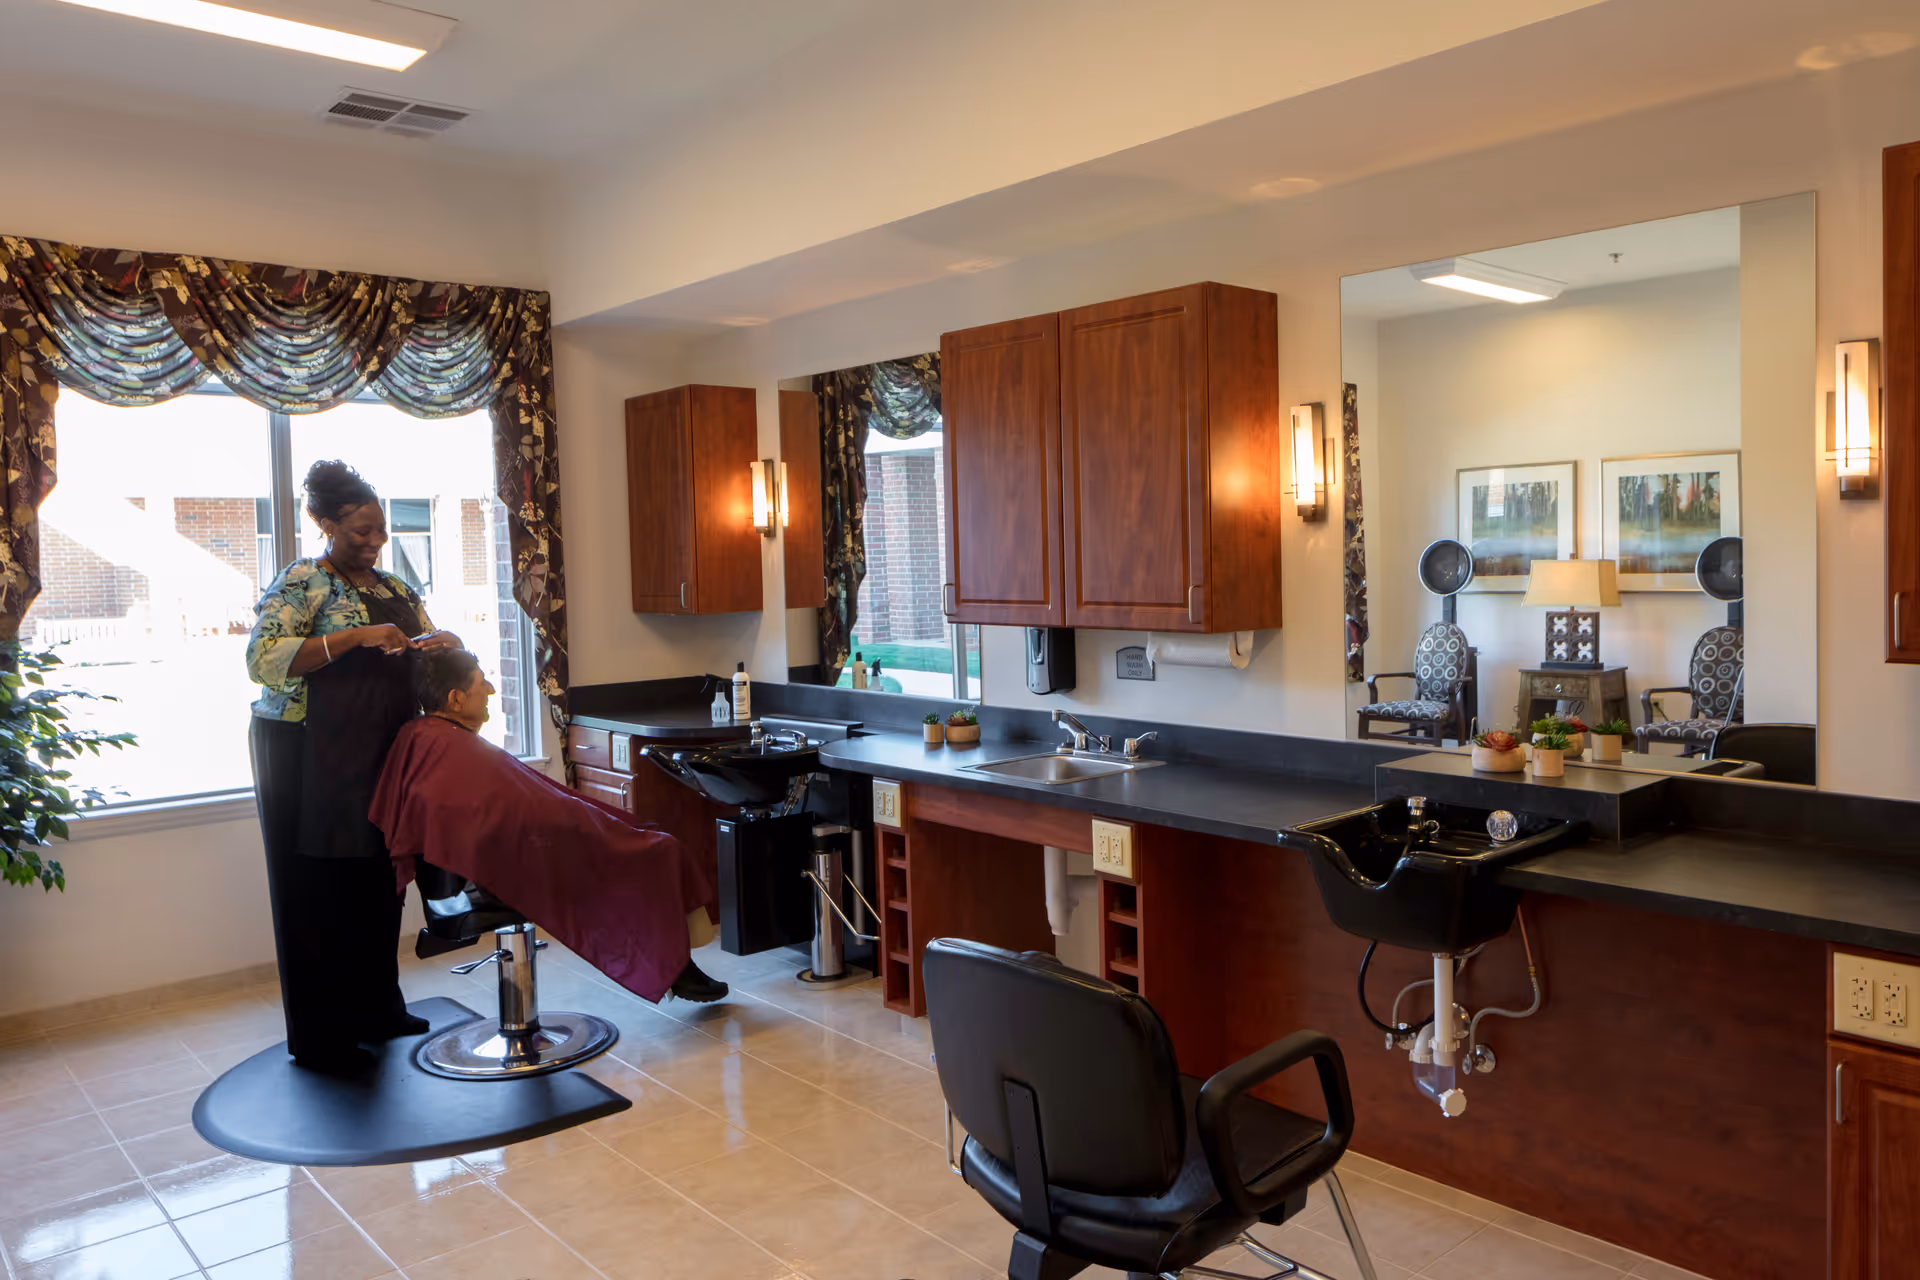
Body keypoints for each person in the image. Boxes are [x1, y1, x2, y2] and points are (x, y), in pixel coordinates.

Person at [245, 460, 463, 1075]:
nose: (374, 542)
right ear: (324, 523)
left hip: (380, 751)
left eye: (380, 530)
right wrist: (355, 637)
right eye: (359, 531)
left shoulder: (394, 587)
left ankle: (377, 1008)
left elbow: (412, 663)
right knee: (316, 894)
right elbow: (263, 661)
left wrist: (435, 645)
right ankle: (322, 1034)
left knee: (378, 882)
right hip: (304, 754)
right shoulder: (304, 582)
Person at [372, 648, 728, 1004]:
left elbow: (509, 811)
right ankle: (675, 968)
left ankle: (677, 965)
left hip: (490, 864)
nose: (492, 690)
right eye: (481, 683)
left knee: (644, 839)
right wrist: (593, 829)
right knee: (656, 850)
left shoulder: (425, 737)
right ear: (455, 699)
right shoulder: (450, 746)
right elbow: (527, 812)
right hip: (504, 869)